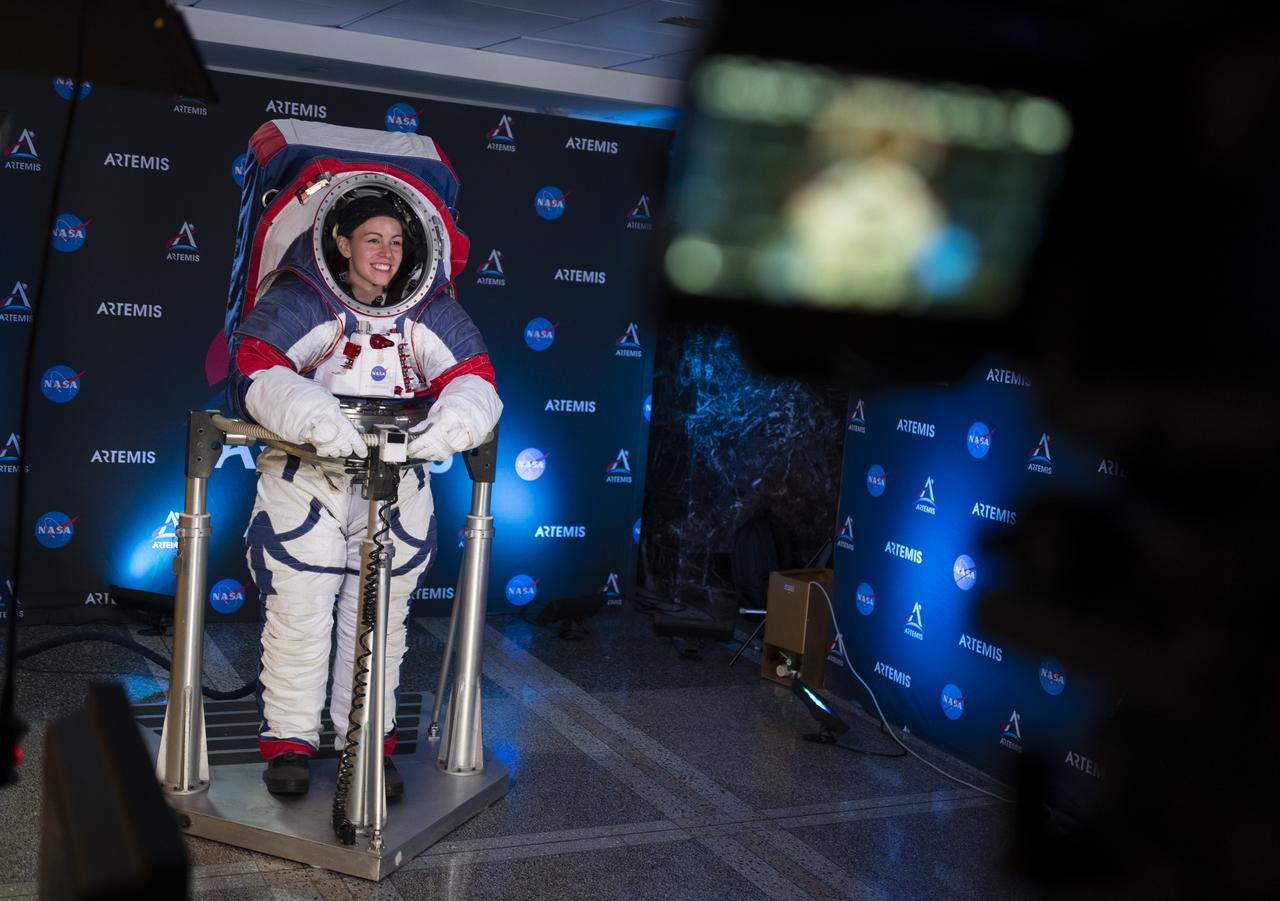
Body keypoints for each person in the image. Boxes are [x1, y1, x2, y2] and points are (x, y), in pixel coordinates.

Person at [226, 190, 501, 796]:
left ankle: (368, 742)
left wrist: (445, 430)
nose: (386, 253)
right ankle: (290, 743)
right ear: (341, 243)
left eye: (396, 242)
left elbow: (476, 382)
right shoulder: (302, 298)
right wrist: (319, 418)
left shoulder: (428, 310)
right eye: (372, 239)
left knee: (380, 622)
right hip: (307, 477)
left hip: (397, 479)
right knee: (299, 615)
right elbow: (255, 367)